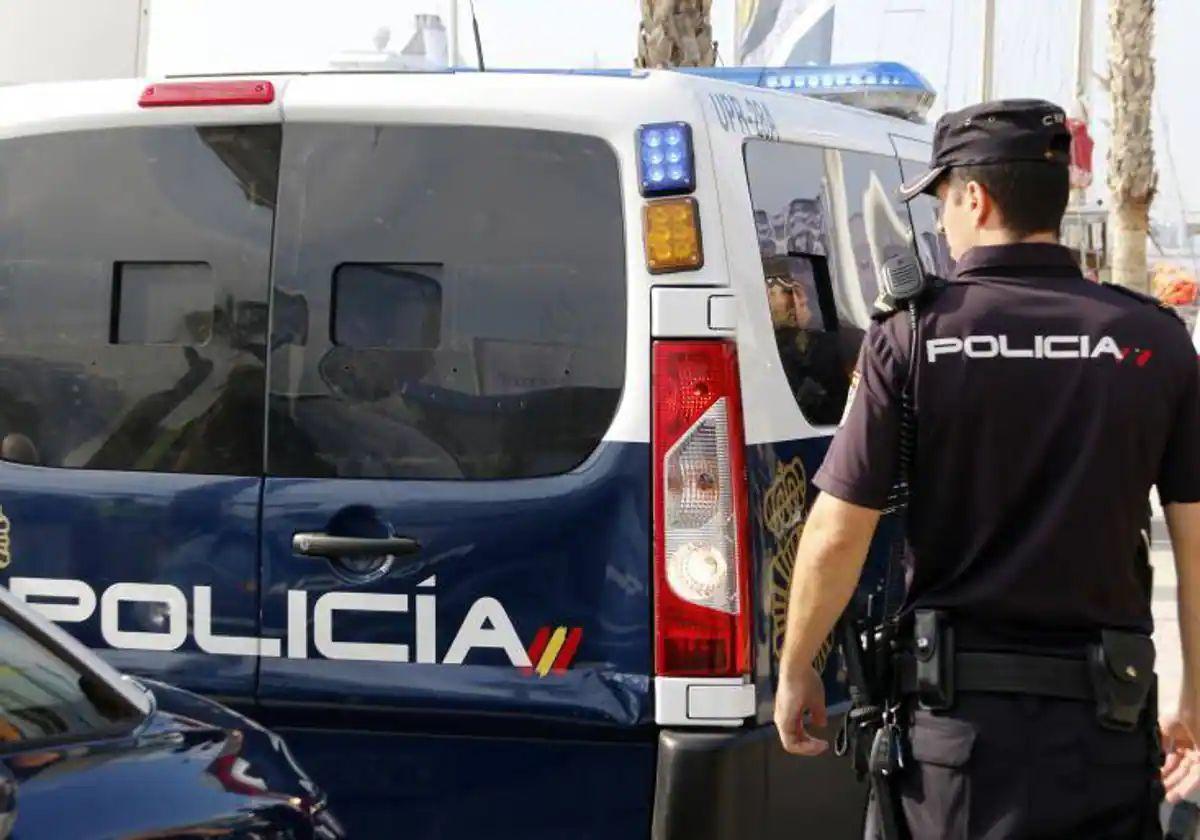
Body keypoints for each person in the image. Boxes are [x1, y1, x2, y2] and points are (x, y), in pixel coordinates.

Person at [772, 98, 1200, 839]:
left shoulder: (911, 336)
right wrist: (1195, 696)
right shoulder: (1152, 340)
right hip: (1105, 729)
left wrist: (796, 663)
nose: (941, 222)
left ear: (975, 196)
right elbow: (1196, 541)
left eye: (942, 200)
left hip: (956, 746)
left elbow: (839, 531)